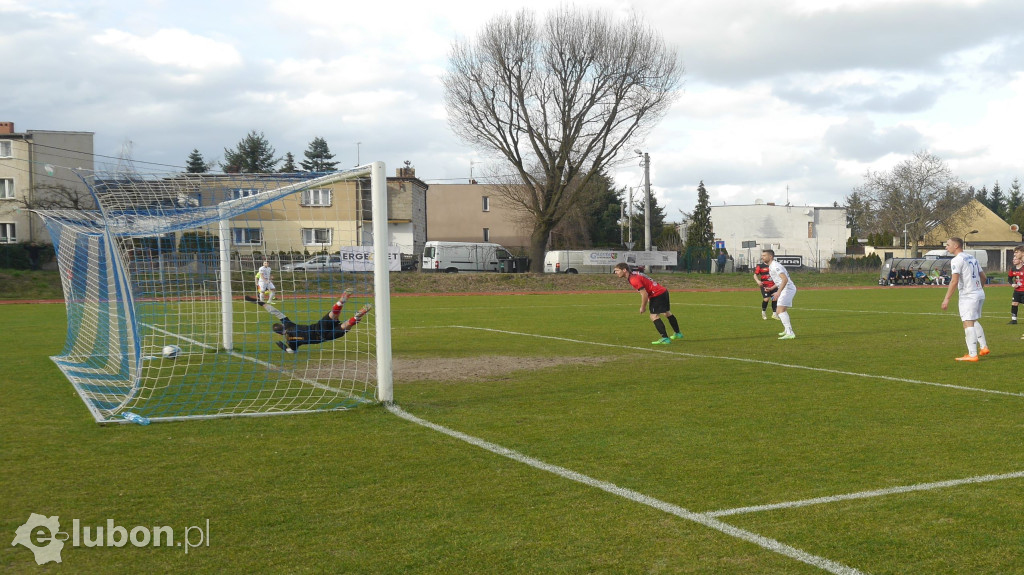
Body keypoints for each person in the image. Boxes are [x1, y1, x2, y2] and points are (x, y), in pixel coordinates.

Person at [245, 289, 371, 353]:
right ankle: (340, 302)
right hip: (317, 326)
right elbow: (275, 312)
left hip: (322, 337)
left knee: (344, 326)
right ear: (282, 325)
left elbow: (292, 352)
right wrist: (259, 302)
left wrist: (284, 348)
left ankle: (356, 317)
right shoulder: (289, 324)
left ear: (279, 334)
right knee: (333, 315)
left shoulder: (291, 341)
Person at [940, 237, 989, 361]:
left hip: (968, 295)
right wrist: (978, 289)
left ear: (956, 246)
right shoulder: (972, 258)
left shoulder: (957, 260)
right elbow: (983, 277)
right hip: (979, 293)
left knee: (967, 323)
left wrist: (946, 299)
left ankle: (972, 354)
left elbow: (954, 281)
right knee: (973, 320)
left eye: (948, 245)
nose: (946, 247)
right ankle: (983, 347)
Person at [613, 262, 682, 345]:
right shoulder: (634, 274)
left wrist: (643, 307)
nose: (615, 272)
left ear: (624, 270)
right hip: (662, 291)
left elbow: (644, 294)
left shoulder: (633, 279)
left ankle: (665, 338)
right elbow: (647, 283)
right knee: (667, 313)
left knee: (653, 316)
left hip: (656, 294)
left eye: (617, 270)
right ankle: (678, 333)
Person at [761, 249, 797, 340]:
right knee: (781, 310)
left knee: (780, 310)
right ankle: (787, 330)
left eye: (764, 255)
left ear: (770, 257)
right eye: (762, 255)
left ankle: (790, 333)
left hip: (787, 289)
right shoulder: (771, 266)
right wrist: (772, 288)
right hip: (786, 288)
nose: (762, 257)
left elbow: (785, 279)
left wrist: (778, 292)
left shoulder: (775, 266)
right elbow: (779, 281)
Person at [1007, 245, 1024, 324]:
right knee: (1014, 303)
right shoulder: (1013, 269)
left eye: (1016, 253)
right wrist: (1013, 284)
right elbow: (1009, 278)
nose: (1015, 255)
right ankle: (1014, 320)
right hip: (1017, 290)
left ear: (1022, 253)